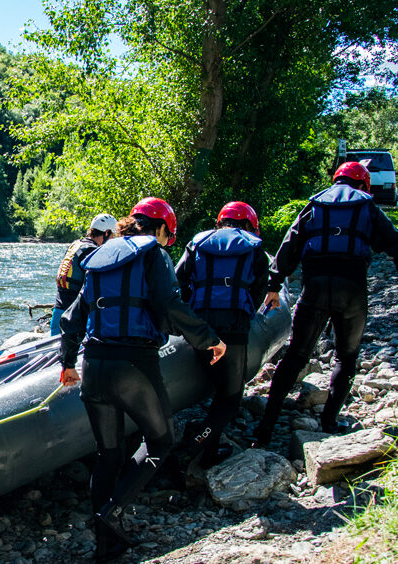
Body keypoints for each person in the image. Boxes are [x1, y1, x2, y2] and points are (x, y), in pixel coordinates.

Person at [59, 197, 226, 561]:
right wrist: (209, 339)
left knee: (108, 453)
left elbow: (72, 318)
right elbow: (169, 305)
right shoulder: (154, 255)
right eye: (170, 234)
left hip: (95, 364)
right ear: (162, 229)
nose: (169, 241)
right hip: (134, 364)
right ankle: (113, 510)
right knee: (161, 441)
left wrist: (67, 362)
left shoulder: (100, 256)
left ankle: (106, 546)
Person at [254, 162, 398, 446]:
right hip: (351, 289)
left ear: (336, 180)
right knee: (346, 357)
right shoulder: (367, 207)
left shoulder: (314, 205)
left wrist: (274, 286)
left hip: (315, 288)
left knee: (296, 356)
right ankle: (329, 422)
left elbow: (288, 248)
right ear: (363, 185)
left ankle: (265, 427)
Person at [175, 202, 269, 468]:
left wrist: (191, 318)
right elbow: (259, 290)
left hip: (202, 326)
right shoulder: (254, 247)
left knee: (217, 390)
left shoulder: (196, 244)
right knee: (230, 398)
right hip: (234, 329)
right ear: (249, 225)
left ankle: (210, 451)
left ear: (220, 222)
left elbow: (179, 281)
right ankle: (191, 449)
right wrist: (245, 315)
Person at [52, 213, 118, 335]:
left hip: (58, 313)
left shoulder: (76, 244)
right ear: (106, 232)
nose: (113, 240)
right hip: (73, 317)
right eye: (113, 236)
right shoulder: (92, 251)